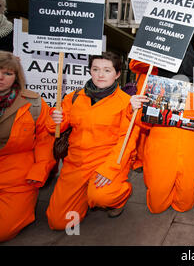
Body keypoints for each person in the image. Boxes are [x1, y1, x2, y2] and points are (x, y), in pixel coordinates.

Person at [46, 51, 139, 230]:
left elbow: (126, 141)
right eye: (95, 69)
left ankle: (118, 198)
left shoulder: (127, 103)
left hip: (106, 162)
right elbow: (54, 128)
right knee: (59, 223)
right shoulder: (74, 97)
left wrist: (109, 170)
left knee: (101, 196)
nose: (100, 74)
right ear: (89, 71)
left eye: (107, 70)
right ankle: (83, 197)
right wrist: (54, 120)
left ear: (118, 74)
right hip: (75, 164)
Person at [129, 42, 194, 214]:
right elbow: (143, 122)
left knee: (184, 205)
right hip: (161, 148)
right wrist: (134, 108)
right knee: (156, 206)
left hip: (190, 150)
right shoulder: (156, 83)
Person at [0, 51, 55, 242]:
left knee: (3, 229)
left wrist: (40, 169)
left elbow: (45, 140)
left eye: (8, 73)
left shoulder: (33, 104)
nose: (1, 77)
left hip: (18, 177)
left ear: (17, 76)